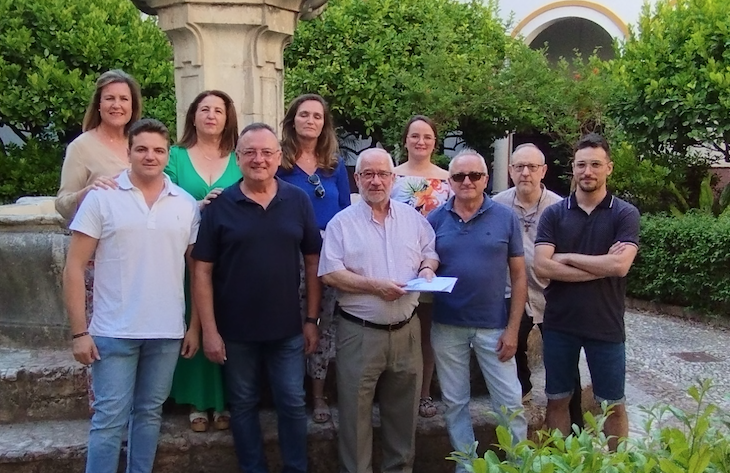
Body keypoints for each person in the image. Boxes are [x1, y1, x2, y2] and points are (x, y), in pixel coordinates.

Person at [63, 119, 200, 473]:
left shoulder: (185, 204)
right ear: (129, 153)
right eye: (141, 149)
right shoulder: (102, 198)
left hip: (167, 332)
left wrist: (195, 327)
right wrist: (80, 332)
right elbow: (74, 267)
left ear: (168, 155)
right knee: (109, 420)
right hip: (113, 332)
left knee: (150, 415)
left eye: (158, 150)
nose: (149, 156)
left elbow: (198, 272)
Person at [192, 123, 321, 473]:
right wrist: (210, 331)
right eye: (250, 152)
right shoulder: (221, 206)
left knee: (293, 404)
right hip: (235, 332)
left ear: (279, 157)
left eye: (266, 152)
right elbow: (201, 270)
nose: (259, 159)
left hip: (288, 331)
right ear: (238, 158)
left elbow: (313, 262)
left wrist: (311, 319)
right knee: (244, 405)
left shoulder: (298, 200)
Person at [319, 148, 439, 473]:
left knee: (403, 422)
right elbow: (330, 273)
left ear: (393, 178)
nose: (376, 180)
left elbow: (430, 251)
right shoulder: (341, 223)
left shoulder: (412, 219)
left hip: (407, 332)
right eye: (368, 174)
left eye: (382, 174)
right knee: (355, 422)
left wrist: (428, 269)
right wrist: (375, 286)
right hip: (359, 333)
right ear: (356, 179)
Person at [534, 133, 640, 451]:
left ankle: (618, 465)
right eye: (581, 165)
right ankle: (561, 465)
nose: (588, 171)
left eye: (595, 164)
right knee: (557, 401)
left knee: (613, 405)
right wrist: (600, 265)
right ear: (573, 168)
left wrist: (565, 257)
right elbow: (542, 266)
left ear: (609, 168)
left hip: (605, 325)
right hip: (559, 324)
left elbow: (620, 267)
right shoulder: (554, 213)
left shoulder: (624, 213)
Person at [427, 150, 528, 466]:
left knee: (509, 402)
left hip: (494, 327)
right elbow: (424, 261)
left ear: (486, 178)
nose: (467, 181)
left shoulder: (505, 218)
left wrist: (513, 329)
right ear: (450, 180)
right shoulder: (434, 219)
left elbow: (519, 274)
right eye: (459, 176)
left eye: (474, 175)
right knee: (455, 402)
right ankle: (467, 466)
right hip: (447, 325)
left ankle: (516, 465)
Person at [55, 69, 143, 410]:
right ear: (99, 103)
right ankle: (105, 409)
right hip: (97, 256)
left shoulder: (140, 142)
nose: (117, 105)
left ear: (133, 104)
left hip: (138, 256)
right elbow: (61, 203)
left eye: (124, 99)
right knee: (103, 338)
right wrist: (86, 192)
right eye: (110, 98)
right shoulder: (83, 146)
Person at [492, 143, 584, 428]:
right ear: (510, 171)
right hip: (512, 290)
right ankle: (524, 391)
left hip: (551, 292)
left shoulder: (559, 207)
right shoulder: (497, 205)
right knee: (510, 343)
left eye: (532, 167)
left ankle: (576, 425)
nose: (525, 173)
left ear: (543, 171)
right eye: (519, 167)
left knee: (565, 358)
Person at [166, 90, 241, 432]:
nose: (211, 115)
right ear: (192, 115)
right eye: (204, 109)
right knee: (194, 320)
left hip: (232, 255)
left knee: (228, 321)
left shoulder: (240, 156)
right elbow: (162, 198)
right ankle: (197, 400)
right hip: (187, 254)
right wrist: (198, 205)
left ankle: (226, 400)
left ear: (228, 118)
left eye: (218, 110)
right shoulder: (175, 156)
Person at [277, 93, 350, 424]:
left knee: (322, 325)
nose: (310, 120)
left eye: (317, 116)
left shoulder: (335, 166)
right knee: (289, 324)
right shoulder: (278, 162)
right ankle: (289, 392)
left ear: (324, 124)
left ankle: (318, 395)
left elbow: (348, 213)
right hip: (286, 255)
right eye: (304, 115)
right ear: (293, 120)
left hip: (327, 257)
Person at [391, 115, 451, 418]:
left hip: (433, 266)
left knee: (426, 333)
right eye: (414, 136)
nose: (420, 142)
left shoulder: (448, 179)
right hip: (395, 264)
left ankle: (424, 394)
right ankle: (391, 393)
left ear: (434, 142)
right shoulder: (390, 176)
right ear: (405, 140)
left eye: (427, 136)